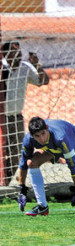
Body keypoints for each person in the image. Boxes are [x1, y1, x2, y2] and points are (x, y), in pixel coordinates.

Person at [1, 41, 49, 186]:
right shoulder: (2, 68)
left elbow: (43, 81)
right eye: (15, 52)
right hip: (3, 116)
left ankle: (6, 184)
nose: (19, 54)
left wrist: (36, 64)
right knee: (3, 152)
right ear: (6, 54)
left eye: (19, 51)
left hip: (16, 116)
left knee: (17, 153)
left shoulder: (25, 68)